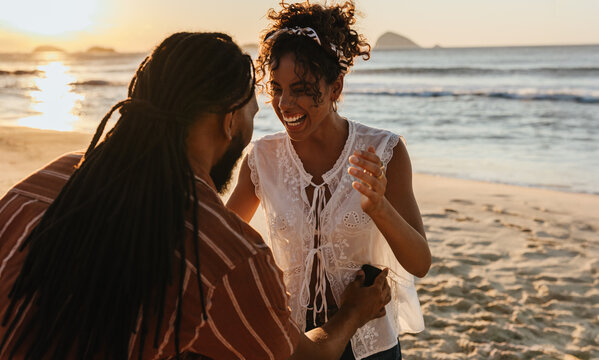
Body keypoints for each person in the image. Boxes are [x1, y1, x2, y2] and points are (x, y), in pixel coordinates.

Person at [0, 32, 391, 360]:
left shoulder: (47, 181)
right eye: (253, 115)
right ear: (229, 123)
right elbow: (301, 359)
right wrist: (354, 312)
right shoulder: (225, 256)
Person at [226, 2, 432, 359]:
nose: (284, 103)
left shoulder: (384, 151)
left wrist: (379, 207)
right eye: (276, 88)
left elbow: (420, 263)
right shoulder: (261, 158)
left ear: (336, 87)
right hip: (295, 345)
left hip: (371, 347)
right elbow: (223, 243)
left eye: (302, 88)